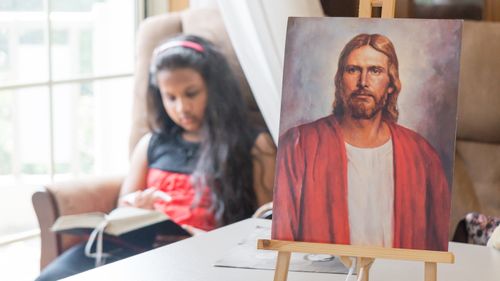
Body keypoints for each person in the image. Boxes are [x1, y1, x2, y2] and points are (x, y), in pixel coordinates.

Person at [36, 35, 276, 281]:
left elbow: (265, 224)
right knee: (52, 277)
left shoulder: (255, 145)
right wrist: (137, 208)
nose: (181, 108)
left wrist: (205, 239)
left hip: (203, 254)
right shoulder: (151, 144)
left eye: (191, 93)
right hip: (134, 251)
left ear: (215, 90)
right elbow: (122, 211)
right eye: (170, 97)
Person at [272, 33, 450, 251]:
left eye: (375, 71)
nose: (363, 82)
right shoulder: (298, 146)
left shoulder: (422, 155)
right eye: (353, 69)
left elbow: (434, 248)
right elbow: (283, 241)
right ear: (340, 80)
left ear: (391, 84)